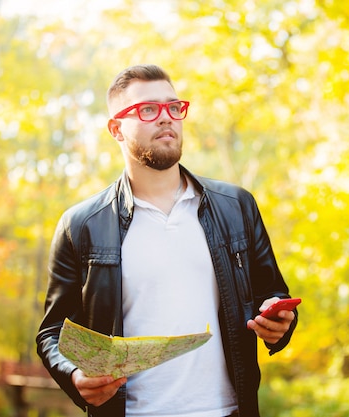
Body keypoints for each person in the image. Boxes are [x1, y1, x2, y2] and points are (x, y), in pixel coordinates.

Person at [36, 64, 298, 417]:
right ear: (116, 129)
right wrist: (73, 375)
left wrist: (279, 322)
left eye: (174, 107)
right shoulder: (81, 225)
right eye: (147, 110)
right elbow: (52, 331)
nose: (167, 118)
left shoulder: (237, 206)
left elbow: (274, 296)